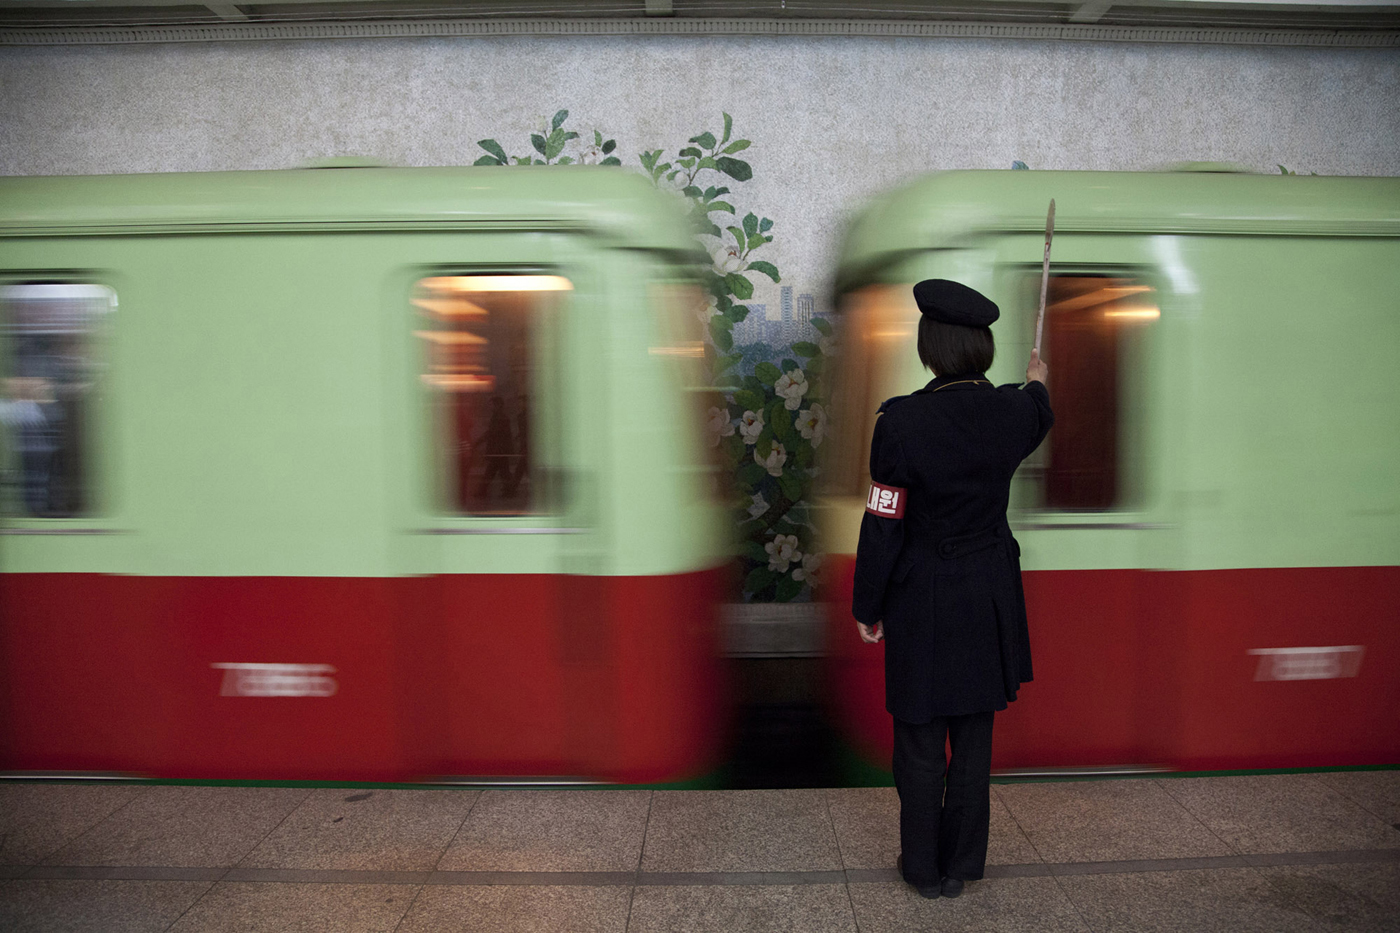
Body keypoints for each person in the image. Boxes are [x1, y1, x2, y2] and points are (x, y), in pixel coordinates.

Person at [851, 279, 1052, 900]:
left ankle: (923, 868)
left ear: (928, 347)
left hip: (922, 599)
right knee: (972, 738)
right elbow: (1038, 404)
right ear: (983, 347)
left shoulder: (900, 423)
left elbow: (883, 520)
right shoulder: (1019, 412)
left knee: (918, 740)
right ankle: (962, 863)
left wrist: (869, 604)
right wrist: (1039, 378)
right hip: (989, 597)